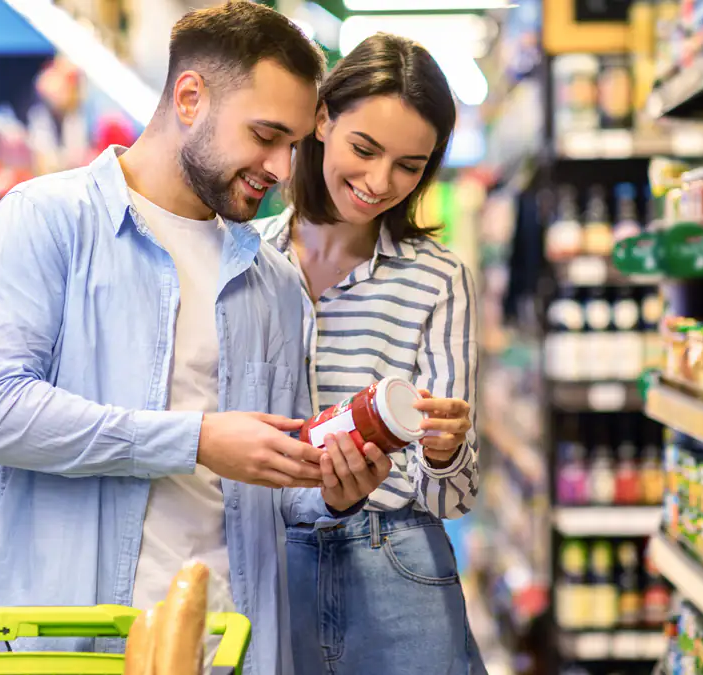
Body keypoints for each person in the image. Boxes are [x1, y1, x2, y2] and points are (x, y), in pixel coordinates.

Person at [0, 4, 392, 674]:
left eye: (296, 144)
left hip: (225, 648)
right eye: (265, 134)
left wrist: (332, 485)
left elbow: (271, 486)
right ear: (189, 97)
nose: (280, 165)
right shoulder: (45, 222)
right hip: (66, 647)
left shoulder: (275, 287)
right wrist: (196, 438)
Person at [255, 33, 484, 674]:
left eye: (410, 165)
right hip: (267, 560)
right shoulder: (244, 260)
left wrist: (445, 452)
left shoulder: (438, 277)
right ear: (322, 118)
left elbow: (456, 499)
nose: (380, 182)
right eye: (365, 148)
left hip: (398, 562)